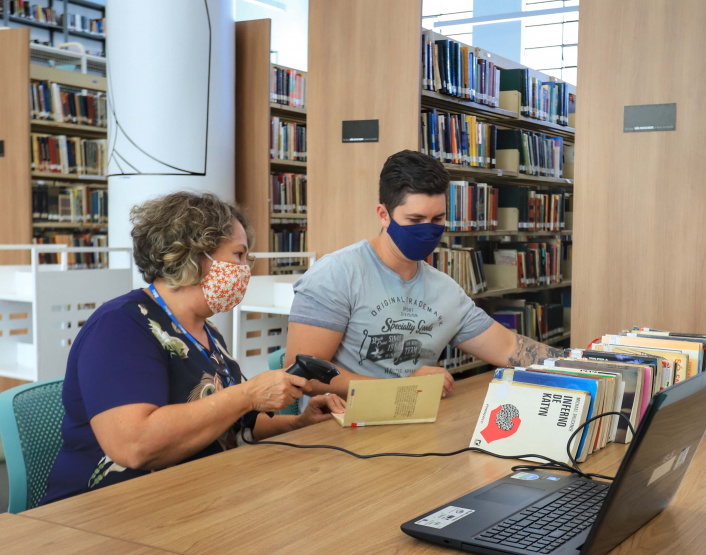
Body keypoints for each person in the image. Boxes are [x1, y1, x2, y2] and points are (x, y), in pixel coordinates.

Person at [40, 192, 344, 505]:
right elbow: (133, 445)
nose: (246, 269)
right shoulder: (119, 327)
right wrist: (248, 394)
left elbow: (232, 421)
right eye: (239, 256)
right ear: (193, 254)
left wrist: (296, 423)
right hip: (106, 511)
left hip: (191, 496)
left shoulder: (205, 331)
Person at [285, 150, 564, 398]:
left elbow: (509, 348)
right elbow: (301, 374)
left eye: (437, 219)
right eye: (415, 220)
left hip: (415, 421)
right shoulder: (337, 274)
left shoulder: (444, 289)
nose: (428, 230)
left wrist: (582, 364)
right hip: (336, 431)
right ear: (384, 215)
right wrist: (399, 388)